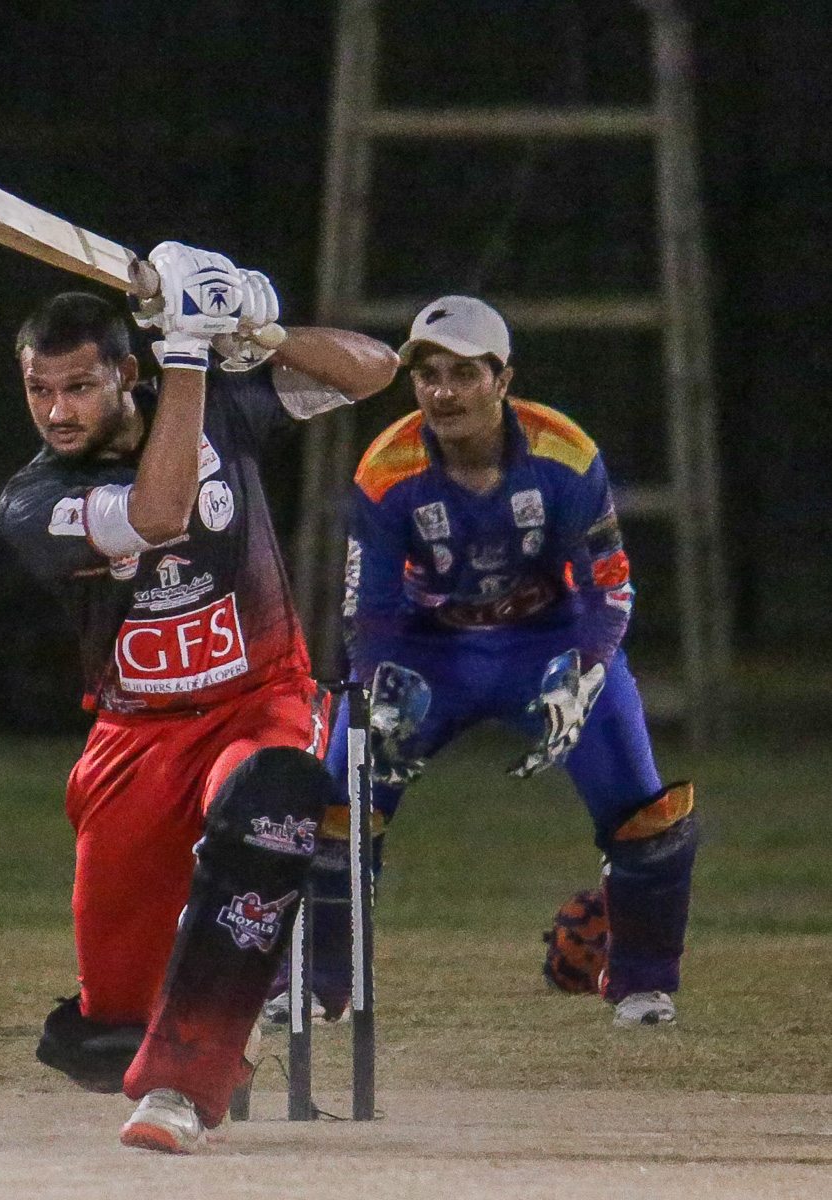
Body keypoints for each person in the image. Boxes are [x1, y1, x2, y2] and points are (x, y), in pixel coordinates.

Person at [0, 240, 399, 1153]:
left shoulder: (223, 404)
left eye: (79, 387)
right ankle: (187, 1013)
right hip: (134, 737)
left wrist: (261, 327)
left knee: (270, 796)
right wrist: (188, 349)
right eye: (38, 390)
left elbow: (374, 371)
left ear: (124, 375)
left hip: (259, 700)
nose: (56, 411)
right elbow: (158, 513)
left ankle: (186, 1086)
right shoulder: (34, 498)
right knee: (109, 1029)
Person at [289, 294, 696, 1030]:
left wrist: (585, 671)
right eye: (428, 374)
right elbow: (368, 609)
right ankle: (320, 985)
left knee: (647, 815)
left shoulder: (566, 455)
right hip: (426, 654)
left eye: (464, 373)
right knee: (336, 810)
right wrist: (379, 685)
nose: (443, 393)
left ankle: (642, 985)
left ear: (503, 379)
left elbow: (610, 589)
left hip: (549, 644)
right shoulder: (386, 469)